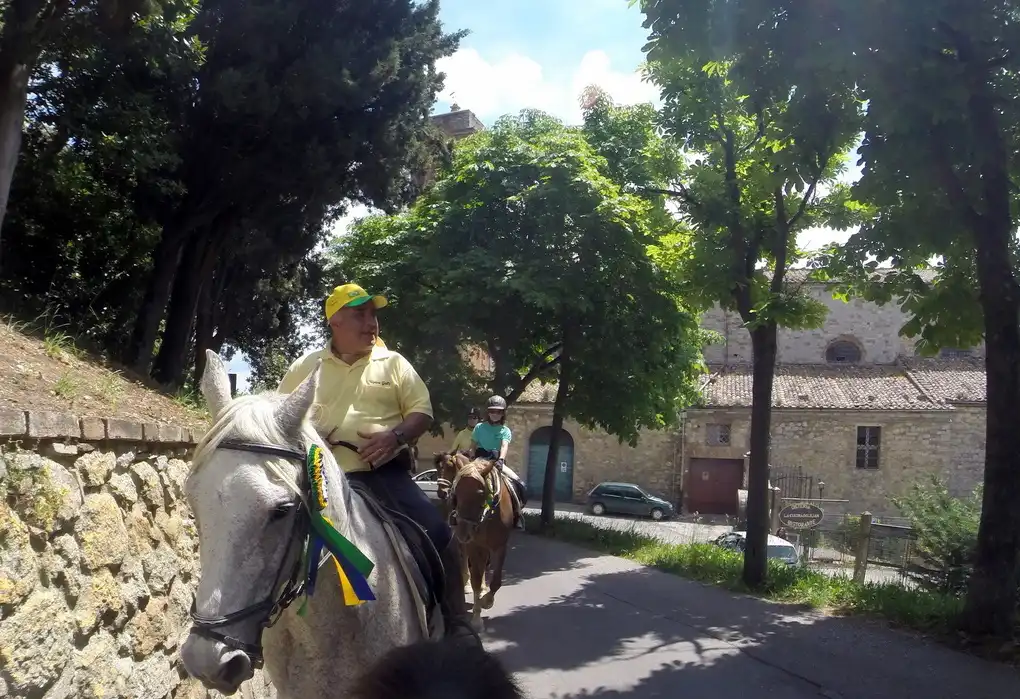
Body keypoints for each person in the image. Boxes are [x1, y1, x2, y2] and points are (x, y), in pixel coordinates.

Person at [277, 282, 474, 640]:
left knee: (439, 532)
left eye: (373, 315)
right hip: (315, 477)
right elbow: (280, 414)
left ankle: (457, 623)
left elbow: (421, 412)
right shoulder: (306, 366)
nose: (371, 324)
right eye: (360, 315)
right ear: (335, 321)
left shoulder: (394, 363)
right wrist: (311, 435)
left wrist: (395, 436)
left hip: (381, 476)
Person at [471, 395, 528, 530]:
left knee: (519, 484)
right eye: (492, 411)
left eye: (498, 411)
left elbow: (504, 446)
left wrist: (501, 459)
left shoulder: (505, 430)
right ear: (487, 412)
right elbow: (473, 444)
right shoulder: (479, 427)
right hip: (478, 461)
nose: (495, 414)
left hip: (496, 461)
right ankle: (455, 512)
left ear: (503, 413)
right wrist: (471, 456)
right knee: (459, 480)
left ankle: (517, 514)